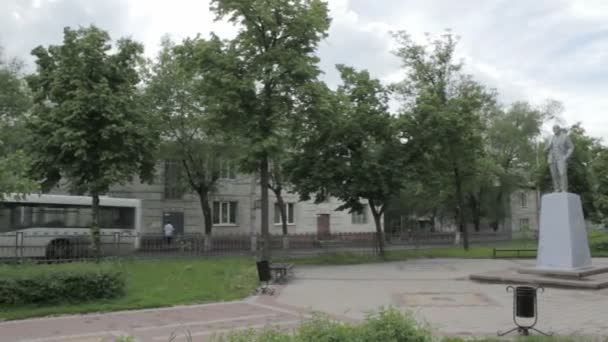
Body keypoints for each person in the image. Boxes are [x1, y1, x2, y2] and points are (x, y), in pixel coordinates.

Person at [545, 124, 574, 193]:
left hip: (561, 157)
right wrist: (546, 148)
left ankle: (564, 189)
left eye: (555, 129)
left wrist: (566, 156)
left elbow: (571, 147)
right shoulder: (550, 138)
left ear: (559, 129)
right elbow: (546, 148)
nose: (554, 130)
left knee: (562, 173)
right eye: (553, 129)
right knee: (554, 175)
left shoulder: (565, 137)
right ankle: (556, 189)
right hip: (552, 158)